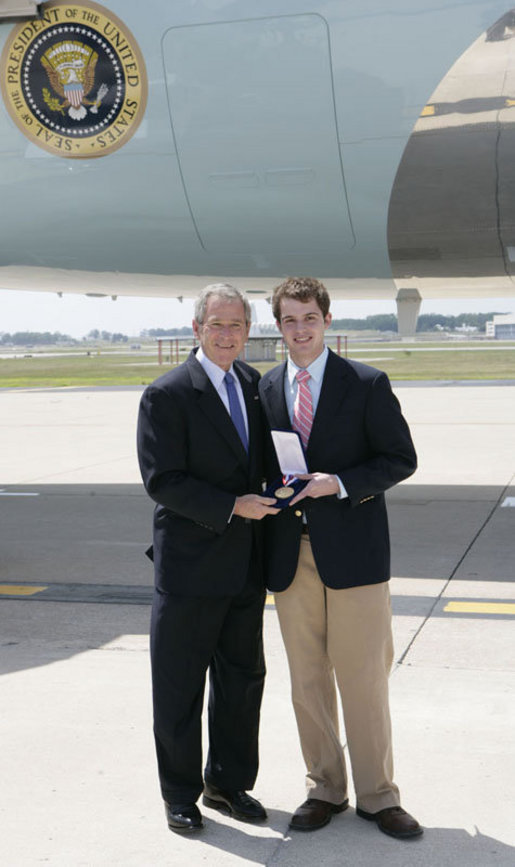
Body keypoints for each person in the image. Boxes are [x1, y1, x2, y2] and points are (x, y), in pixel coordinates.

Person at [259, 277, 423, 840]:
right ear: (278, 326)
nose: (299, 330)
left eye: (308, 318)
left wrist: (341, 483)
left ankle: (379, 796)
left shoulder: (366, 383)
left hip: (354, 555)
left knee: (363, 679)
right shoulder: (268, 386)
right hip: (290, 555)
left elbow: (400, 459)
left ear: (327, 320)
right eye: (288, 320)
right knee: (307, 681)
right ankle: (324, 787)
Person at [137, 283, 278, 834]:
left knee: (243, 680)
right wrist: (232, 505)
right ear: (197, 329)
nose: (226, 335)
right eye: (216, 325)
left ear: (247, 332)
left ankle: (228, 783)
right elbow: (162, 480)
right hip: (191, 568)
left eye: (236, 325)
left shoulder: (252, 384)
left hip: (245, 565)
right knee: (179, 687)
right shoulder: (167, 393)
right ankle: (179, 794)